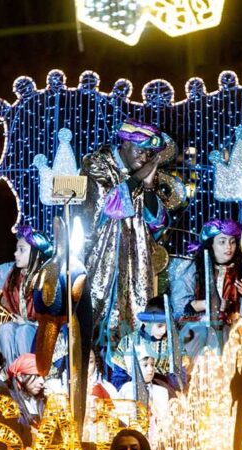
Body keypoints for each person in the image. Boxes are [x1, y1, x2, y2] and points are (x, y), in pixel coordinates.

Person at [80, 118, 185, 351]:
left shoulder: (144, 170)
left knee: (136, 316)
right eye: (141, 151)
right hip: (100, 257)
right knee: (95, 316)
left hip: (136, 256)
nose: (145, 158)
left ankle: (130, 369)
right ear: (125, 144)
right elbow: (107, 206)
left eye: (150, 154)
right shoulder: (97, 164)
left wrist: (148, 186)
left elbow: (156, 222)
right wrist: (139, 178)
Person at [171, 219, 242, 357]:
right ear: (211, 245)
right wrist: (207, 304)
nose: (228, 247)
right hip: (198, 331)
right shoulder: (193, 269)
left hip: (233, 333)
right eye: (222, 242)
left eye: (232, 241)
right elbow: (180, 309)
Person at [0, 225, 54, 363]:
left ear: (35, 253)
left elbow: (55, 317)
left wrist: (28, 323)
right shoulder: (14, 275)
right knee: (6, 329)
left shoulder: (49, 277)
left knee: (23, 331)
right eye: (16, 249)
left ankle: (29, 376)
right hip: (22, 326)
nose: (15, 254)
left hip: (46, 333)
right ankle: (10, 376)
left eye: (21, 250)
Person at [6, 353, 47, 446]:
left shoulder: (43, 399)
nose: (42, 382)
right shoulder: (8, 400)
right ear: (20, 376)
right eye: (37, 376)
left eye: (43, 376)